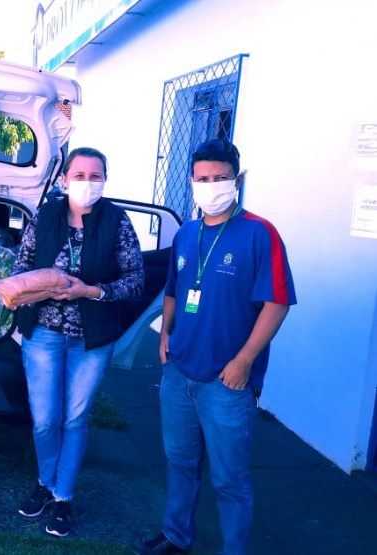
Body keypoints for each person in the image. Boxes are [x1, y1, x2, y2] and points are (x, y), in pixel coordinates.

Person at [135, 139, 296, 555]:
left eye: (220, 178)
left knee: (230, 479)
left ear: (237, 180)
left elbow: (276, 304)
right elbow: (172, 289)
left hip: (227, 381)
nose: (211, 186)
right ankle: (176, 536)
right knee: (180, 463)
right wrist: (166, 333)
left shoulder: (261, 234)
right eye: (203, 179)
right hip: (179, 373)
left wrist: (244, 362)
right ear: (192, 182)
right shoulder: (187, 234)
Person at [12, 147, 144, 537]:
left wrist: (91, 291)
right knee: (44, 419)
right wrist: (35, 285)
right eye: (80, 175)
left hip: (92, 339)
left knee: (74, 419)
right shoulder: (46, 215)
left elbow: (135, 279)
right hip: (43, 333)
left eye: (96, 175)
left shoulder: (117, 221)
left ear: (105, 179)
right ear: (64, 180)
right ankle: (44, 484)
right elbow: (22, 264)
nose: (88, 182)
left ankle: (63, 499)